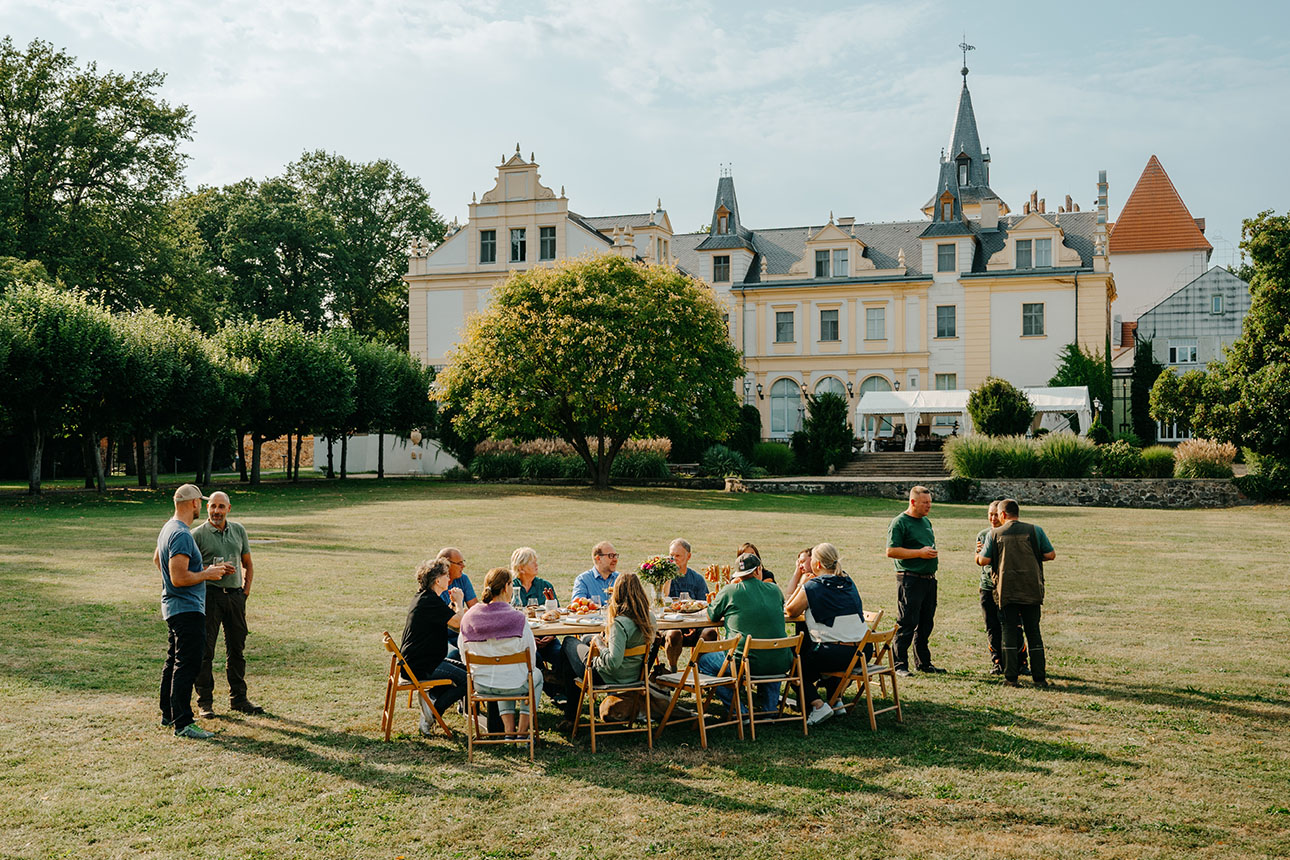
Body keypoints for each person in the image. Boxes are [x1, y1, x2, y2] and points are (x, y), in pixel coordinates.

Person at [153, 484, 231, 739]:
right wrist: (206, 574)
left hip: (174, 606)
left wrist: (198, 571)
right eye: (201, 502)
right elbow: (179, 577)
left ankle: (169, 713)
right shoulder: (182, 534)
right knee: (188, 663)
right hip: (187, 608)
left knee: (173, 661)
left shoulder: (168, 528)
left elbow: (158, 560)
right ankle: (183, 722)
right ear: (195, 503)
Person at [191, 491, 262, 719]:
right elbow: (188, 571)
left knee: (237, 650)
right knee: (205, 651)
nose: (216, 511)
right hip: (209, 598)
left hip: (235, 597)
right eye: (213, 506)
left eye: (221, 507)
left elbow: (248, 564)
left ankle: (239, 700)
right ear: (207, 508)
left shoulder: (239, 530)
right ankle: (205, 703)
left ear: (229, 509)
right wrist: (208, 573)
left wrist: (245, 592)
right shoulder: (197, 535)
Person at [784, 543, 869, 726]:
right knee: (817, 648)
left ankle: (818, 705)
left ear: (818, 564)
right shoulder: (848, 580)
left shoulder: (814, 586)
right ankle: (835, 698)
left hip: (835, 653)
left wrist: (803, 585)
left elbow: (791, 610)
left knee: (791, 663)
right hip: (862, 651)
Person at [558, 572, 654, 733]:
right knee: (587, 639)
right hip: (635, 674)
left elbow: (613, 662)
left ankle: (568, 708)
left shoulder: (620, 623)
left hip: (605, 676)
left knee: (569, 642)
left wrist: (600, 644)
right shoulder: (650, 617)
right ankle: (568, 709)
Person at [977, 499, 1056, 688]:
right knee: (1033, 632)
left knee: (1009, 632)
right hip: (1031, 589)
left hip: (1006, 590)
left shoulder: (995, 534)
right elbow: (1050, 554)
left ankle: (1011, 678)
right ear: (1018, 513)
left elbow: (983, 560)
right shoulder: (1035, 530)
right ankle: (1039, 678)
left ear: (1003, 515)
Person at [700, 553, 791, 712]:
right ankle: (769, 710)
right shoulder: (775, 590)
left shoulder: (730, 591)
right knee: (770, 650)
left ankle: (739, 711)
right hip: (781, 661)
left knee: (704, 661)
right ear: (758, 570)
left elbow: (711, 615)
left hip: (743, 662)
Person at [460, 567, 544, 737]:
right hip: (514, 683)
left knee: (507, 673)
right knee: (533, 675)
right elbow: (531, 657)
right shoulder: (518, 618)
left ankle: (508, 730)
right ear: (506, 588)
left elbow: (463, 655)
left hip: (482, 685)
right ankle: (521, 732)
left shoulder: (469, 617)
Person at [399, 557, 469, 735]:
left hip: (420, 660)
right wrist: (459, 602)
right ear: (437, 580)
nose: (449, 579)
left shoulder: (426, 598)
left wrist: (453, 605)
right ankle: (433, 711)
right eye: (446, 575)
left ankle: (432, 698)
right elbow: (458, 623)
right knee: (470, 681)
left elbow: (448, 617)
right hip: (421, 665)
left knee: (468, 672)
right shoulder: (430, 602)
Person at [885, 485, 943, 677]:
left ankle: (924, 662)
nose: (929, 506)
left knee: (926, 623)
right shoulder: (899, 522)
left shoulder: (926, 521)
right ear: (913, 502)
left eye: (930, 502)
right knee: (907, 622)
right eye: (925, 503)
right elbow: (891, 551)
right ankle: (899, 664)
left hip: (928, 580)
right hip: (910, 579)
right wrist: (919, 553)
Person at [975, 502, 1028, 676]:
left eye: (996, 514)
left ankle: (1021, 662)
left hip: (1009, 588)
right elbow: (979, 560)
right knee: (992, 627)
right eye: (989, 514)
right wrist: (979, 555)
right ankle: (997, 661)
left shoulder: (1012, 534)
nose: (993, 518)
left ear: (1003, 515)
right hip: (988, 587)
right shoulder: (983, 534)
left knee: (1014, 626)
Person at [510, 547, 564, 703]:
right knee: (535, 658)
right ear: (520, 568)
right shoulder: (510, 588)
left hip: (547, 637)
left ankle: (563, 691)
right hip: (524, 641)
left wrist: (552, 634)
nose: (536, 565)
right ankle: (556, 693)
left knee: (561, 655)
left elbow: (556, 615)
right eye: (532, 562)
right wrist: (531, 639)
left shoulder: (545, 586)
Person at [660, 538, 714, 673]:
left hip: (694, 625)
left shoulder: (697, 579)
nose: (673, 559)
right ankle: (673, 669)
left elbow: (704, 605)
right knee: (674, 634)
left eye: (677, 556)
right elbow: (660, 602)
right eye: (671, 555)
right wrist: (667, 578)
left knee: (710, 633)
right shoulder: (663, 578)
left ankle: (695, 668)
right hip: (670, 625)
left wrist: (695, 626)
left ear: (688, 556)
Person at [436, 547, 477, 658]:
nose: (463, 566)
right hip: (440, 637)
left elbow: (475, 610)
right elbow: (452, 621)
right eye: (459, 563)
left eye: (463, 562)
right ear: (446, 565)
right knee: (455, 655)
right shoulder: (435, 587)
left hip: (460, 634)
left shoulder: (463, 579)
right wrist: (459, 607)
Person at [571, 541, 620, 605]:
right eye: (611, 556)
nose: (615, 559)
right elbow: (577, 605)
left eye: (616, 556)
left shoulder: (620, 579)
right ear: (598, 558)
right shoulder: (583, 580)